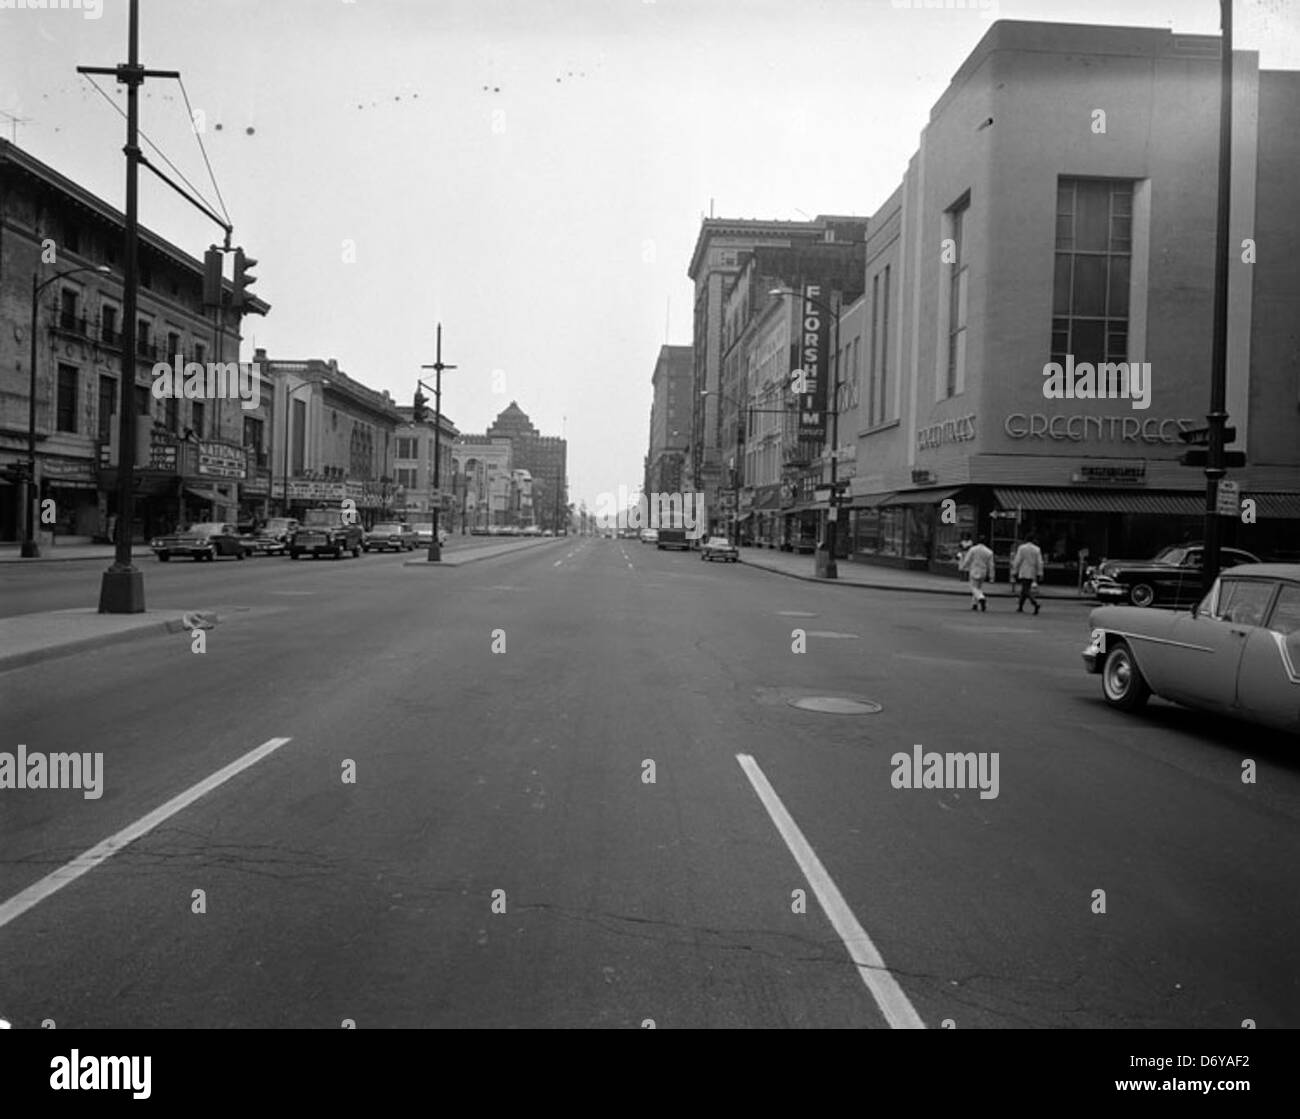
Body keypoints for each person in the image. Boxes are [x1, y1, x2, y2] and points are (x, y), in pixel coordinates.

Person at [958, 534, 995, 612]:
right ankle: (974, 604)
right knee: (978, 587)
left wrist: (963, 567)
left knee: (973, 587)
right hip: (983, 571)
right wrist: (992, 576)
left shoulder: (973, 549)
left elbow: (967, 560)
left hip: (974, 570)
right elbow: (991, 565)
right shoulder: (989, 552)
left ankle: (981, 598)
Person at [1011, 533, 1045, 614]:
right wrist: (1040, 573)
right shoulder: (1037, 549)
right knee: (1024, 589)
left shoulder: (1022, 548)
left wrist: (1014, 570)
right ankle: (1020, 607)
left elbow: (1018, 560)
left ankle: (1034, 603)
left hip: (1023, 570)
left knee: (1025, 589)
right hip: (1032, 571)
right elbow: (1039, 562)